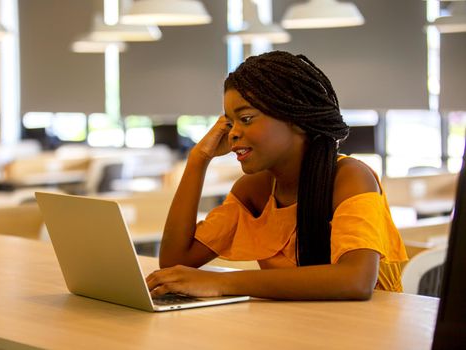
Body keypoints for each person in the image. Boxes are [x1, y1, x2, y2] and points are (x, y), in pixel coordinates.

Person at [146, 51, 408, 300]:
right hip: (295, 326)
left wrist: (221, 283)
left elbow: (356, 280)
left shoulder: (350, 177)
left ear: (295, 118)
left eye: (246, 118)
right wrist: (198, 159)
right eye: (229, 123)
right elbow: (174, 263)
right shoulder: (253, 191)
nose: (233, 133)